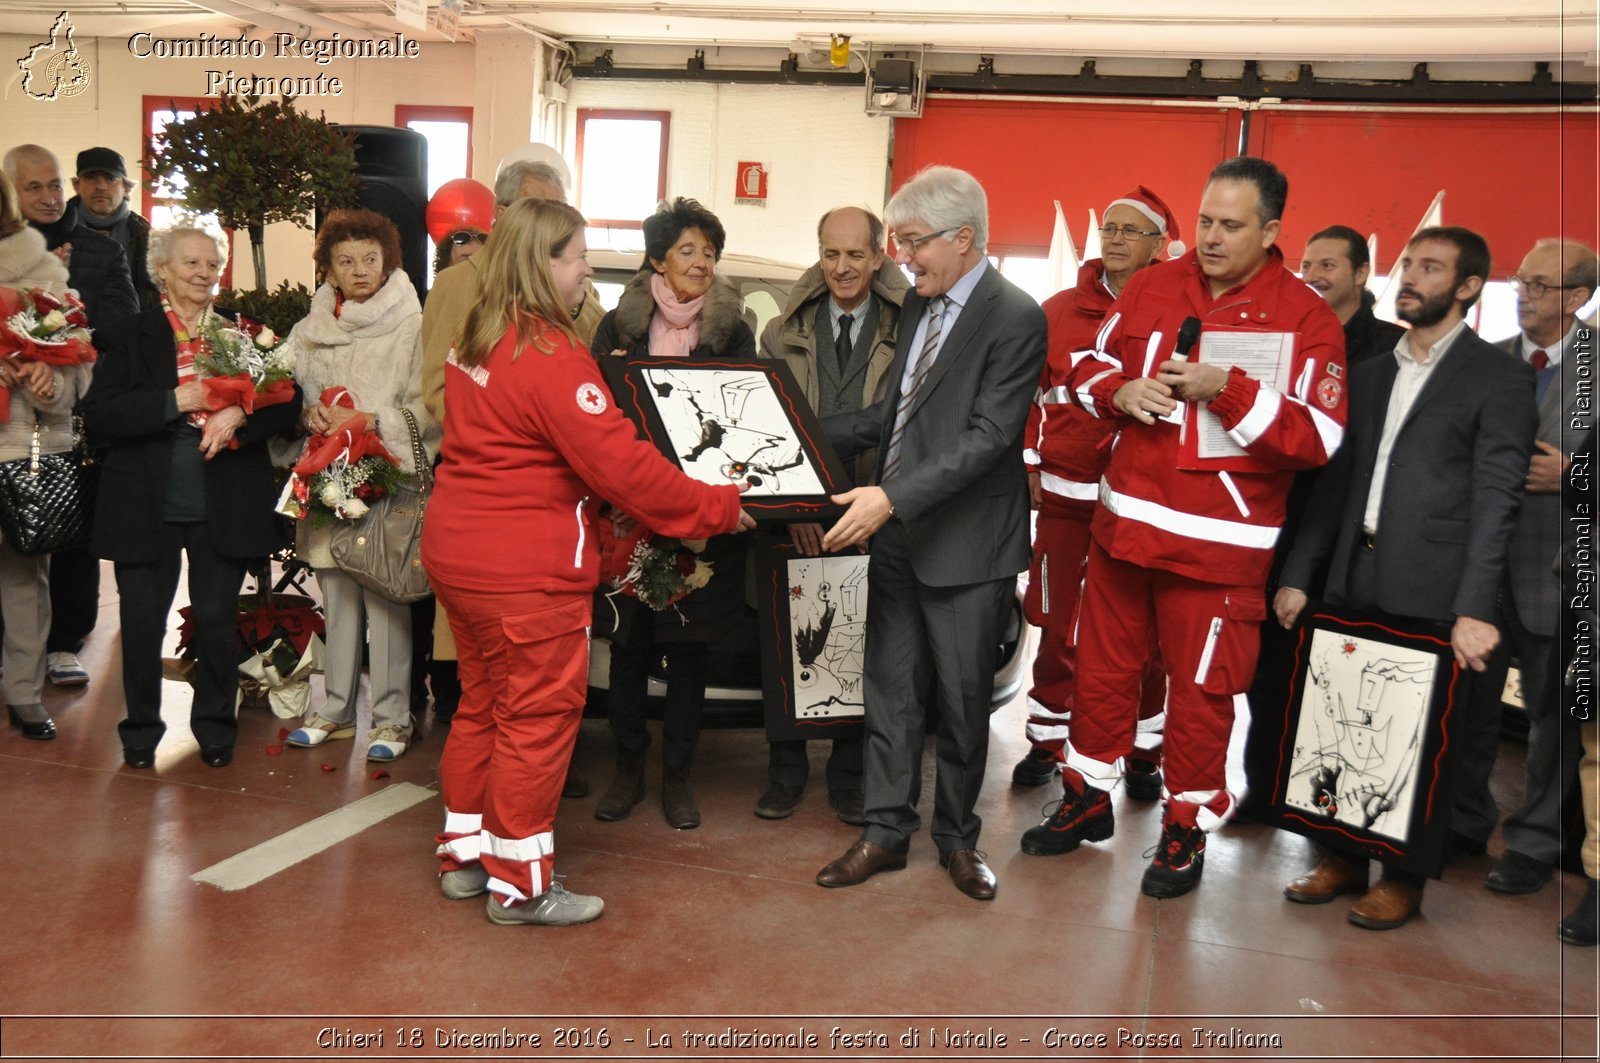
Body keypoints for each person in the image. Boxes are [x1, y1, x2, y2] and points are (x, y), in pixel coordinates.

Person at [423, 198, 752, 926]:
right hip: (524, 570)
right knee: (536, 719)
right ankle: (520, 884)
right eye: (575, 257)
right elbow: (624, 471)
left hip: (461, 555)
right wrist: (719, 508)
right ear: (541, 262)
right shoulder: (549, 355)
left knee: (483, 705)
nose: (585, 272)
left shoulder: (478, 333)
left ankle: (466, 855)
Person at [1041, 156, 1347, 900]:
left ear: (1271, 230)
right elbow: (1081, 362)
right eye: (1205, 220)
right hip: (1121, 532)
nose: (1210, 237)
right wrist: (1119, 388)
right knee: (1104, 673)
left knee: (1201, 695)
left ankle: (1183, 826)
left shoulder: (1305, 315)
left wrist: (1229, 389)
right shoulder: (1154, 282)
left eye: (1230, 225)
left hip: (1219, 552)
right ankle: (1086, 796)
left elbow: (1320, 437)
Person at [1276, 226, 1537, 930]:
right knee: (1337, 724)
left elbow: (1497, 497)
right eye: (1408, 265)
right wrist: (1301, 572)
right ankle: (1338, 857)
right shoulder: (1369, 373)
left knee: (1416, 740)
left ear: (1469, 286)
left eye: (1431, 268)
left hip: (1437, 587)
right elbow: (1331, 488)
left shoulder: (1498, 376)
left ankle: (1402, 878)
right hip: (1350, 576)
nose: (1411, 277)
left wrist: (1477, 607)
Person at [813, 165, 1047, 901]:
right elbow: (896, 416)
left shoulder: (1016, 317)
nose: (901, 255)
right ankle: (884, 832)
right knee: (888, 693)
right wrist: (799, 431)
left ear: (965, 238)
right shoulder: (921, 304)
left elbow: (987, 437)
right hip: (899, 539)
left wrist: (890, 497)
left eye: (913, 241)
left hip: (968, 547)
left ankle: (956, 839)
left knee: (961, 703)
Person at [82, 222, 301, 769]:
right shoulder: (130, 334)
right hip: (143, 506)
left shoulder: (243, 333)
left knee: (217, 621)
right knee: (139, 628)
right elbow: (101, 414)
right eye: (191, 264)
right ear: (162, 271)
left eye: (211, 264)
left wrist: (237, 415)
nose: (204, 273)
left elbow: (288, 402)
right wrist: (173, 401)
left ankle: (215, 731)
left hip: (220, 505)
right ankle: (138, 734)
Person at [418, 158, 603, 785]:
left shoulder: (571, 293)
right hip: (501, 528)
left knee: (508, 710)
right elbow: (439, 392)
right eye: (537, 211)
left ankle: (479, 836)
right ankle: (516, 866)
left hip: (514, 524)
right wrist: (512, 425)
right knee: (499, 707)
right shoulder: (458, 288)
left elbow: (592, 372)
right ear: (504, 219)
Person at [590, 196, 758, 830]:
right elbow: (598, 418)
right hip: (630, 512)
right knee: (629, 649)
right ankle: (629, 769)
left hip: (702, 517)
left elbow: (742, 422)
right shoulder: (618, 328)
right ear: (657, 257)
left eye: (709, 252)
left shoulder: (734, 332)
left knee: (689, 654)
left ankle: (677, 778)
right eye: (687, 250)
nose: (701, 262)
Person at [1236, 224, 1408, 820]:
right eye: (1307, 263)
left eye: (1329, 265)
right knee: (1269, 675)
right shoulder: (1284, 334)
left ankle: (1332, 814)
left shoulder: (1392, 349)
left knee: (1347, 687)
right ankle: (1263, 796)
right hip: (1278, 526)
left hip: (1354, 541)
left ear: (1362, 274)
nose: (1312, 274)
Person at [1013, 186, 1176, 807]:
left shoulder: (1174, 310)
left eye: (1130, 231)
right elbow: (1028, 395)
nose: (1113, 239)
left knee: (1145, 632)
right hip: (1063, 495)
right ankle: (1047, 741)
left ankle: (1142, 750)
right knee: (1056, 621)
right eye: (1108, 228)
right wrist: (1030, 461)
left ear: (1159, 244)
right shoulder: (1055, 311)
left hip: (1140, 505)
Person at [752, 205, 908, 824]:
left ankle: (848, 777)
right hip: (796, 522)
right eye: (830, 254)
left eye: (855, 255)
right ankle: (785, 773)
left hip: (872, 514)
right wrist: (793, 510)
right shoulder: (782, 332)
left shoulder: (908, 329)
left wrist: (879, 508)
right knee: (787, 646)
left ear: (877, 256)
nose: (842, 268)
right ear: (818, 255)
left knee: (856, 644)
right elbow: (769, 427)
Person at [282, 209, 438, 763]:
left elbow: (431, 406)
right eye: (345, 261)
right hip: (327, 476)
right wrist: (309, 419)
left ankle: (394, 718)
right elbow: (288, 392)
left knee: (387, 596)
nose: (360, 270)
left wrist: (370, 421)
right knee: (337, 595)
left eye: (370, 259)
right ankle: (336, 710)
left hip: (387, 474)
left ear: (389, 262)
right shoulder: (310, 327)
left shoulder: (414, 325)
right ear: (329, 269)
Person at [1476, 239, 1597, 895]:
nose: (1523, 293)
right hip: (1478, 569)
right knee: (1468, 710)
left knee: (1552, 725)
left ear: (1579, 297)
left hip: (1559, 571)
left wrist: (1576, 475)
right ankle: (1463, 825)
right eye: (1521, 281)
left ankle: (1535, 842)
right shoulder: (1487, 361)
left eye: (1541, 285)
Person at [4, 143, 139, 690]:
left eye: (55, 184)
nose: (48, 196)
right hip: (9, 421)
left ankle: (63, 644)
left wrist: (64, 304)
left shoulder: (99, 250)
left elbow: (125, 325)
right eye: (33, 187)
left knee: (66, 532)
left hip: (70, 417)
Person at [0, 170, 93, 741]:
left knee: (22, 579)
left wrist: (47, 378)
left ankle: (24, 694)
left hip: (22, 449)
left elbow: (80, 372)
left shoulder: (44, 274)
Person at [69, 147, 159, 313]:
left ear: (125, 188)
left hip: (127, 330)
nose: (101, 186)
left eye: (110, 178)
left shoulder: (145, 235)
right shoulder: (59, 229)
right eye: (90, 177)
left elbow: (158, 294)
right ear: (77, 186)